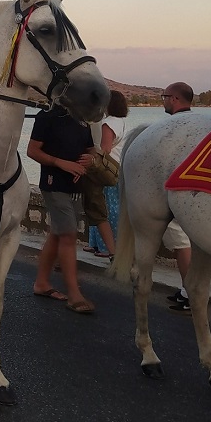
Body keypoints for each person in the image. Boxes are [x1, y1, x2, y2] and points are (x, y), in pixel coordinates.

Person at [28, 105, 95, 314]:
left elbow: (90, 149)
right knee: (68, 234)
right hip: (53, 184)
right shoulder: (47, 116)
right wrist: (59, 163)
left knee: (58, 234)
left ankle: (41, 283)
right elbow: (32, 150)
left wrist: (91, 159)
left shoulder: (82, 116)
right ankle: (74, 295)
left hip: (75, 187)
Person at [161, 81, 196, 311]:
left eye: (164, 96)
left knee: (181, 242)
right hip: (194, 191)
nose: (163, 101)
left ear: (174, 99)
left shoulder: (172, 126)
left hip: (178, 190)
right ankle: (186, 290)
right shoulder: (196, 123)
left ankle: (191, 293)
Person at [82, 90, 129, 257]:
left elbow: (105, 149)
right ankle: (95, 243)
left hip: (107, 170)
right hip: (119, 166)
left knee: (105, 208)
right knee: (104, 206)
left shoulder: (108, 124)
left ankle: (104, 247)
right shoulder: (120, 121)